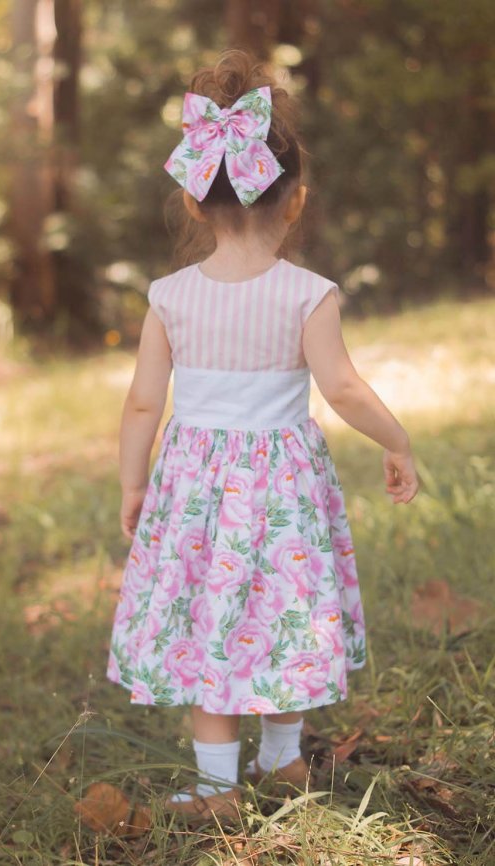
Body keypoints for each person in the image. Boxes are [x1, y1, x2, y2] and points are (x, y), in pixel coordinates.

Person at [105, 49, 419, 821]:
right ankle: (283, 767)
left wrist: (133, 482)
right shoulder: (307, 295)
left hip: (194, 492)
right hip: (281, 497)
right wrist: (396, 439)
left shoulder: (170, 298)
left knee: (206, 628)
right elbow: (342, 386)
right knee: (283, 619)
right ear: (295, 201)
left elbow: (143, 405)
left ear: (190, 198)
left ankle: (215, 788)